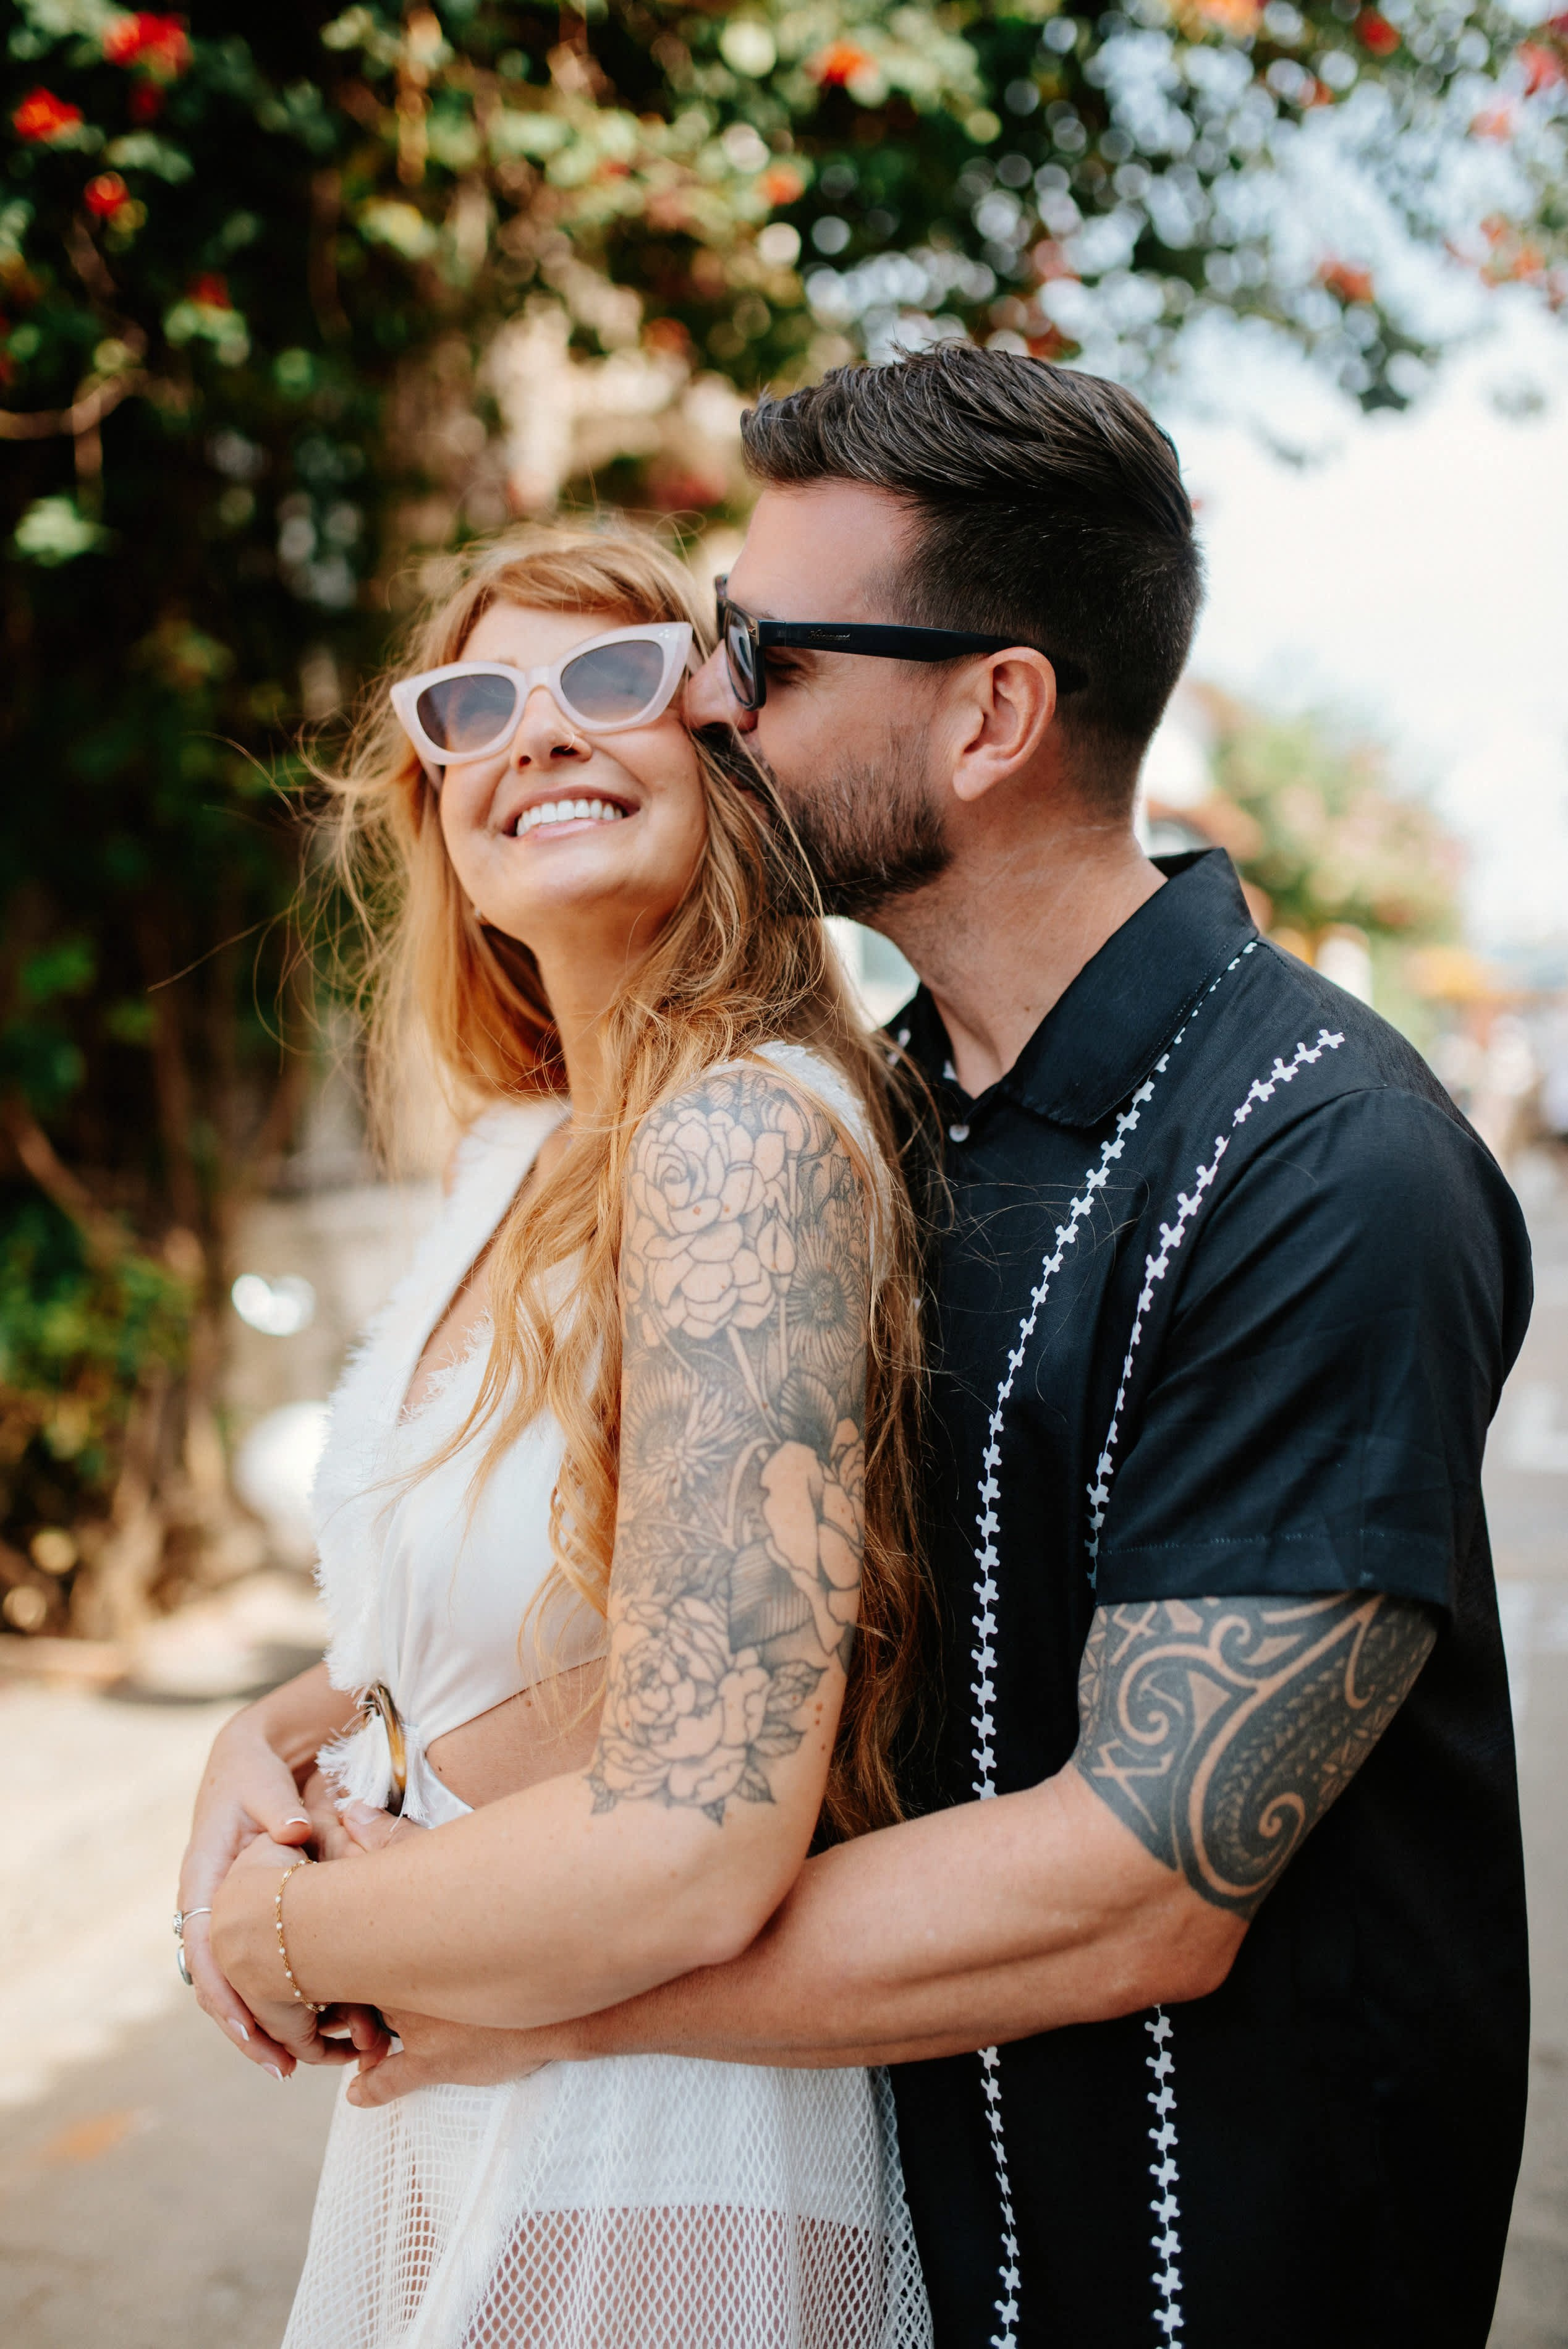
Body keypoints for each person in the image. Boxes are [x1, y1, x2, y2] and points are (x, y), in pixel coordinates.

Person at [295, 349, 1532, 2349]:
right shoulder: (874, 1117)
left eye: (759, 655)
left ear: (992, 715)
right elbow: (691, 1588)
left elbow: (1140, 1875)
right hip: (903, 2230)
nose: (704, 697)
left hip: (1208, 2255)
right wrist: (294, 1735)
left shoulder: (1326, 1164)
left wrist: (474, 1981)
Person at [176, 527, 938, 2347]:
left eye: (612, 682)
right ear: (434, 799)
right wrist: (264, 1733)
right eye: (473, 706)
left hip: (650, 2141)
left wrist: (268, 1939)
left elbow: (695, 1834)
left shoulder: (745, 1137)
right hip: (464, 2082)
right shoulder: (518, 1154)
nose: (540, 736)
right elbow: (525, 1611)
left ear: (725, 759)